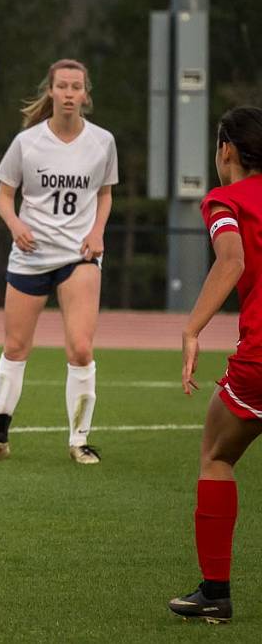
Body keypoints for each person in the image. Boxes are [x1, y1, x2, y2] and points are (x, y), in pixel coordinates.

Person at [0, 59, 117, 464]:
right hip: (31, 257)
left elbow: (105, 195)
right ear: (50, 91)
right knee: (16, 347)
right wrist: (15, 223)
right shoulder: (27, 142)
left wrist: (97, 231)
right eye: (63, 86)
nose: (69, 94)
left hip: (79, 256)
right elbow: (3, 195)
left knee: (81, 349)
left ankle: (79, 441)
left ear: (86, 94)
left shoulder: (102, 142)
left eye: (77, 87)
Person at [168, 106, 262, 624]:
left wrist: (191, 329)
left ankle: (215, 593)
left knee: (216, 456)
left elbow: (232, 261)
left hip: (259, 361)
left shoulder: (225, 198)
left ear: (226, 149)